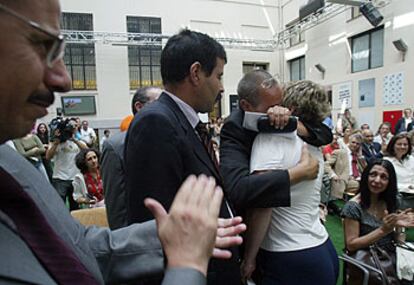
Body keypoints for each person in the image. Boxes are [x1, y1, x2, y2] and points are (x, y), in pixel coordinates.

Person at [0, 1, 245, 284]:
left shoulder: (12, 167)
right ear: (195, 73)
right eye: (43, 45)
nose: (63, 79)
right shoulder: (157, 122)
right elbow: (150, 206)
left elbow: (75, 246)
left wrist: (175, 237)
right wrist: (185, 266)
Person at [125, 29, 242, 285]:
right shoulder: (157, 122)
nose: (222, 87)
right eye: (219, 76)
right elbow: (156, 223)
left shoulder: (180, 121)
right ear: (196, 73)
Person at [241, 80, 338, 285]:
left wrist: (249, 258)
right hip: (321, 247)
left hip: (289, 255)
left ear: (290, 107)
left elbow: (263, 203)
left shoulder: (273, 137)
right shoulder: (313, 142)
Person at [220, 70, 332, 215]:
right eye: (271, 107)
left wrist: (295, 125)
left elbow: (325, 134)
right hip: (253, 213)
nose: (278, 110)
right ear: (246, 105)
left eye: (281, 105)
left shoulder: (285, 120)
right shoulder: (234, 127)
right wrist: (298, 173)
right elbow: (237, 189)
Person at [341, 159, 414, 285]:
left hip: (390, 255)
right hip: (365, 260)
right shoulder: (353, 207)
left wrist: (398, 228)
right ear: (365, 177)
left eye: (384, 177)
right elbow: (351, 244)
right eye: (373, 174)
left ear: (390, 182)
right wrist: (383, 230)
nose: (377, 180)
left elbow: (397, 238)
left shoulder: (392, 201)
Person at [102, 86, 161, 230]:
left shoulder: (169, 139)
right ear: (139, 107)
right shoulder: (115, 146)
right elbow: (116, 208)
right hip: (138, 236)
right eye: (159, 103)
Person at [46, 119, 88, 210]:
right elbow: (48, 156)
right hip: (60, 178)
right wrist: (56, 142)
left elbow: (87, 150)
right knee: (59, 206)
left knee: (75, 206)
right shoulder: (55, 142)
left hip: (74, 178)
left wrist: (74, 140)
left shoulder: (77, 141)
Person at [325, 133, 367, 200]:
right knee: (365, 187)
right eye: (353, 142)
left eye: (358, 144)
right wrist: (333, 175)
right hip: (344, 180)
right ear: (349, 142)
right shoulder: (339, 152)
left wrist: (360, 157)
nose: (355, 145)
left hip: (358, 180)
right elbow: (326, 165)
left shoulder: (359, 156)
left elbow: (366, 170)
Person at [384, 133, 414, 209]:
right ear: (393, 145)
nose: (402, 147)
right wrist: (407, 187)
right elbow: (388, 183)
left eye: (405, 144)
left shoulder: (411, 159)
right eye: (399, 144)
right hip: (398, 196)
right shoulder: (387, 161)